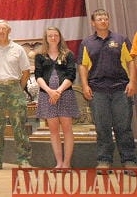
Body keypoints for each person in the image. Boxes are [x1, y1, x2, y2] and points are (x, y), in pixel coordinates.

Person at [77, 9, 136, 174]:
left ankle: (130, 161)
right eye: (99, 18)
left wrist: (132, 81)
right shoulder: (87, 43)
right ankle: (104, 161)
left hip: (121, 89)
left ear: (108, 21)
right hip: (97, 91)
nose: (103, 21)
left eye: (105, 18)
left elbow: (130, 61)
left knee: (123, 127)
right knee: (102, 127)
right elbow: (83, 65)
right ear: (93, 23)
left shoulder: (121, 39)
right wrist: (85, 85)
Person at [0, 20, 32, 171]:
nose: (1, 31)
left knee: (19, 125)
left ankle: (23, 159)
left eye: (4, 28)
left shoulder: (18, 49)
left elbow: (25, 72)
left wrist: (18, 88)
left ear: (9, 30)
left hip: (14, 87)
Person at [34, 27, 80, 170]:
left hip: (65, 94)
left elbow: (71, 75)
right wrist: (49, 91)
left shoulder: (68, 54)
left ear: (60, 37)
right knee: (53, 131)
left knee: (67, 129)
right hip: (46, 96)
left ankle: (67, 163)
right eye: (50, 36)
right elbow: (38, 76)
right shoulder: (40, 56)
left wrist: (58, 91)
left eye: (55, 35)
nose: (53, 38)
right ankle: (59, 163)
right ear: (45, 38)